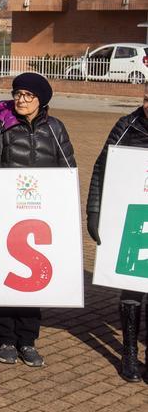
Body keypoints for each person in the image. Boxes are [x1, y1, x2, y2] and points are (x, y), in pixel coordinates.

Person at [0, 73, 75, 368]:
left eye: (28, 95)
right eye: (18, 94)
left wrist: (67, 218)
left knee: (33, 283)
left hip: (39, 218)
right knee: (4, 278)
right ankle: (5, 338)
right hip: (3, 218)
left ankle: (27, 340)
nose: (21, 100)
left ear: (42, 100)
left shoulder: (55, 129)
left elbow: (69, 173)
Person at [86, 83, 148, 382]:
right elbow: (101, 169)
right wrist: (94, 212)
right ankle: (129, 353)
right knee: (132, 290)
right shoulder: (126, 125)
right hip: (132, 220)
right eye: (147, 99)